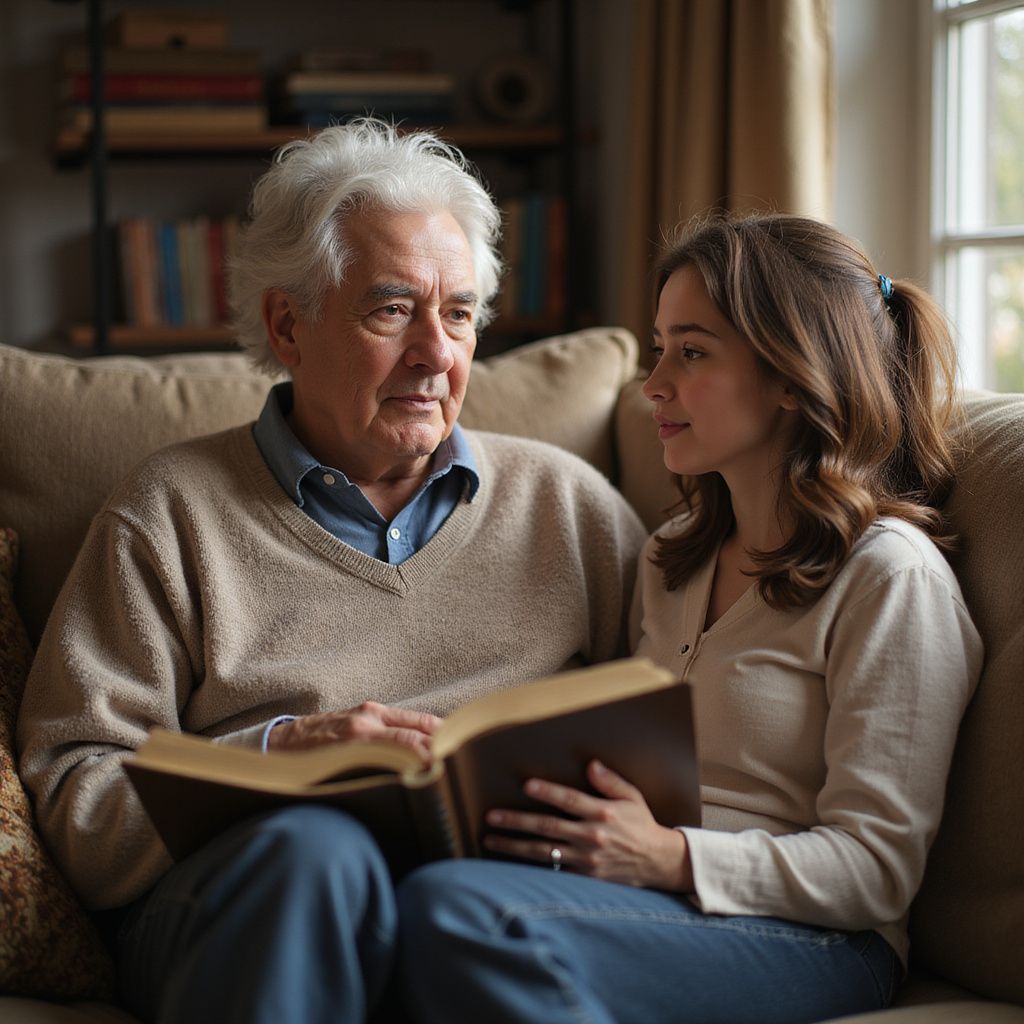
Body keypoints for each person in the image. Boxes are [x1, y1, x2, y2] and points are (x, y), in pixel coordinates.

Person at [16, 119, 647, 1024]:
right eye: (393, 309)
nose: (437, 352)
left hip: (485, 915)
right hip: (241, 908)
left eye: (459, 313)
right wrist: (278, 756)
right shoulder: (168, 513)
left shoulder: (570, 507)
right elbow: (81, 807)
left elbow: (680, 739)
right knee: (315, 852)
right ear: (289, 325)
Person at [396, 213, 984, 1024]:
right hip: (659, 900)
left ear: (789, 375)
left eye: (692, 352)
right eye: (660, 348)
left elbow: (877, 869)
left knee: (459, 912)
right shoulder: (674, 556)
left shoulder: (890, 578)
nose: (654, 384)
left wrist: (670, 856)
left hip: (820, 938)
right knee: (404, 892)